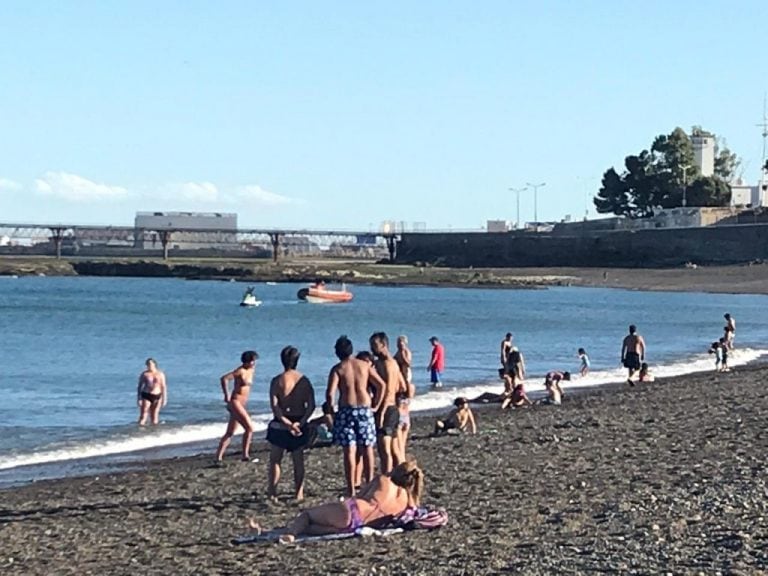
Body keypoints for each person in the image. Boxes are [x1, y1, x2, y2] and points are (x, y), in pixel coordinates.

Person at [247, 460, 424, 544]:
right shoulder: (409, 500)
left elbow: (360, 496)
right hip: (358, 525)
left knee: (307, 515)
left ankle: (290, 535)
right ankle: (266, 533)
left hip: (353, 511)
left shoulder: (385, 480)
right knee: (308, 529)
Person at [326, 335, 387, 497]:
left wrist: (331, 410)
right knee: (367, 448)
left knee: (349, 450)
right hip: (364, 409)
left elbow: (330, 394)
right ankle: (369, 483)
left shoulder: (338, 369)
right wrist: (376, 405)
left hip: (346, 410)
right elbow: (381, 385)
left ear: (338, 352)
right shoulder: (364, 366)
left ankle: (351, 488)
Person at [266, 346, 316, 502]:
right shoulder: (304, 380)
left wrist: (287, 423)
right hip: (298, 420)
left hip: (281, 423)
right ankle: (298, 492)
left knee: (276, 460)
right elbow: (311, 405)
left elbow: (275, 407)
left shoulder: (277, 380)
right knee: (298, 460)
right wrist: (300, 423)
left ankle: (273, 492)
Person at [370, 332, 407, 474]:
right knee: (392, 448)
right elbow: (403, 386)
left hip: (388, 409)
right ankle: (401, 475)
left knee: (386, 449)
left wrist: (382, 411)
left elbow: (390, 390)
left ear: (384, 345)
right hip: (391, 408)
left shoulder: (389, 364)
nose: (373, 349)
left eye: (375, 346)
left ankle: (388, 479)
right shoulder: (381, 363)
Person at [215, 351, 258, 463]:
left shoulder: (251, 370)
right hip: (235, 402)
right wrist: (226, 395)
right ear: (247, 361)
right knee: (249, 428)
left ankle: (218, 457)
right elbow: (224, 378)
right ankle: (245, 455)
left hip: (242, 403)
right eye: (253, 361)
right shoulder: (240, 371)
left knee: (230, 432)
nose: (254, 363)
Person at [393, 335, 415, 471]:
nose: (400, 344)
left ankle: (401, 457)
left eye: (402, 342)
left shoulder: (406, 352)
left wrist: (402, 356)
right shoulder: (397, 353)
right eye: (399, 342)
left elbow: (407, 364)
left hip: (405, 380)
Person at [137, 358, 167, 426]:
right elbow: (139, 386)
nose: (149, 365)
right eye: (148, 364)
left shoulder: (160, 374)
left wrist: (164, 399)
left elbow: (163, 387)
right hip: (146, 394)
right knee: (144, 413)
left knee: (155, 415)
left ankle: (154, 430)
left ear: (154, 364)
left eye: (150, 364)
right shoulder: (144, 374)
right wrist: (139, 398)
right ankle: (140, 428)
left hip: (157, 395)